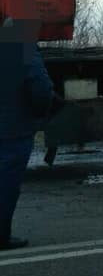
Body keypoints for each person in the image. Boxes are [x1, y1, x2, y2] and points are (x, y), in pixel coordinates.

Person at [0, 37, 54, 250]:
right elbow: (41, 88)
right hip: (12, 127)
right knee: (6, 183)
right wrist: (40, 114)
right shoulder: (20, 42)